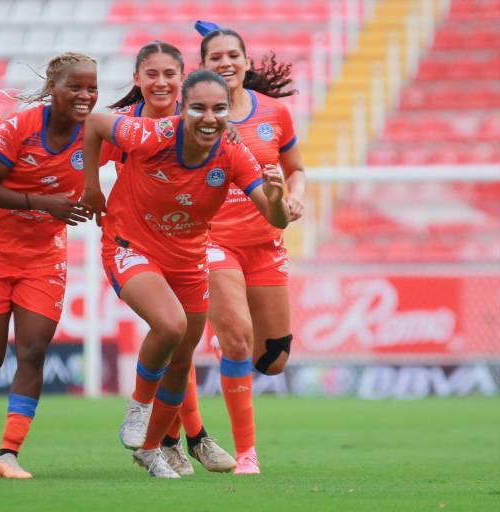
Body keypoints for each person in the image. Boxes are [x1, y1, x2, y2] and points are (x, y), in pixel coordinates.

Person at [82, 69, 289, 478]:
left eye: (219, 109)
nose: (209, 118)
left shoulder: (233, 153)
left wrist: (278, 196)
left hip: (189, 258)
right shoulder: (153, 135)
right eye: (198, 108)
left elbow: (275, 217)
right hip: (131, 246)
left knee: (181, 361)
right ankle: (138, 407)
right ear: (182, 108)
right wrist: (92, 187)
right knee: (171, 325)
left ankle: (152, 448)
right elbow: (93, 124)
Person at [163, 21, 307, 475]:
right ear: (202, 65)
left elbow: (296, 168)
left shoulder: (274, 113)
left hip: (265, 243)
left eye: (232, 55)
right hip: (213, 241)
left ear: (246, 61)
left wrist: (295, 194)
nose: (225, 63)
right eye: (216, 57)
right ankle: (247, 453)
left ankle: (220, 340)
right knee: (239, 338)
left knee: (274, 360)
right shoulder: (194, 118)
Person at [0, 52, 98, 480]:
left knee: (33, 351)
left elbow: (147, 140)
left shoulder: (95, 133)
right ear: (53, 88)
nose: (85, 95)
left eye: (92, 87)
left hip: (43, 257)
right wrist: (44, 203)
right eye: (75, 86)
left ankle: (8, 454)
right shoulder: (18, 128)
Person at [105, 41, 236, 476]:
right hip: (138, 246)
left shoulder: (207, 123)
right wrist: (78, 194)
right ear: (137, 79)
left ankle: (174, 441)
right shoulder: (129, 126)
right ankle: (186, 439)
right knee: (172, 330)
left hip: (186, 245)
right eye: (152, 74)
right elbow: (84, 148)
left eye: (169, 75)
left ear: (183, 81)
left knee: (182, 348)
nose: (161, 83)